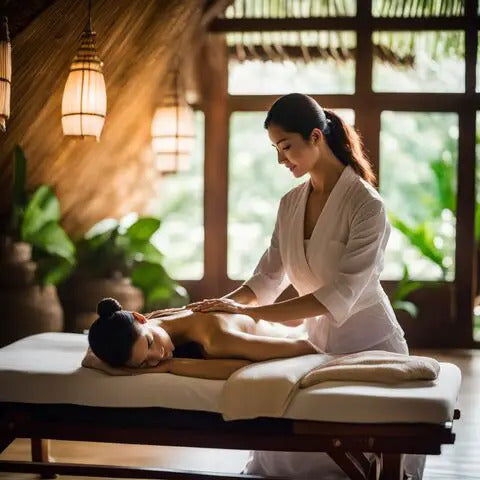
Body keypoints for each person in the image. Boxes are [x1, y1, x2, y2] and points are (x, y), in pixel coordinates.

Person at [186, 93, 424, 479]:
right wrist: (221, 305)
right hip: (316, 346)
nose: (281, 159)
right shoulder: (291, 203)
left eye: (287, 147)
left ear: (316, 137)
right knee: (289, 458)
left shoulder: (367, 206)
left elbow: (337, 296)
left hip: (370, 346)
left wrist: (249, 314)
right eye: (275, 149)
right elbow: (267, 277)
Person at [85, 297, 317, 379]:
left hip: (307, 331)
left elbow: (305, 347)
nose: (157, 358)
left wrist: (169, 367)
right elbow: (92, 353)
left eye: (150, 344)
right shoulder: (154, 321)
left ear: (140, 317)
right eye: (144, 362)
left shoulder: (215, 341)